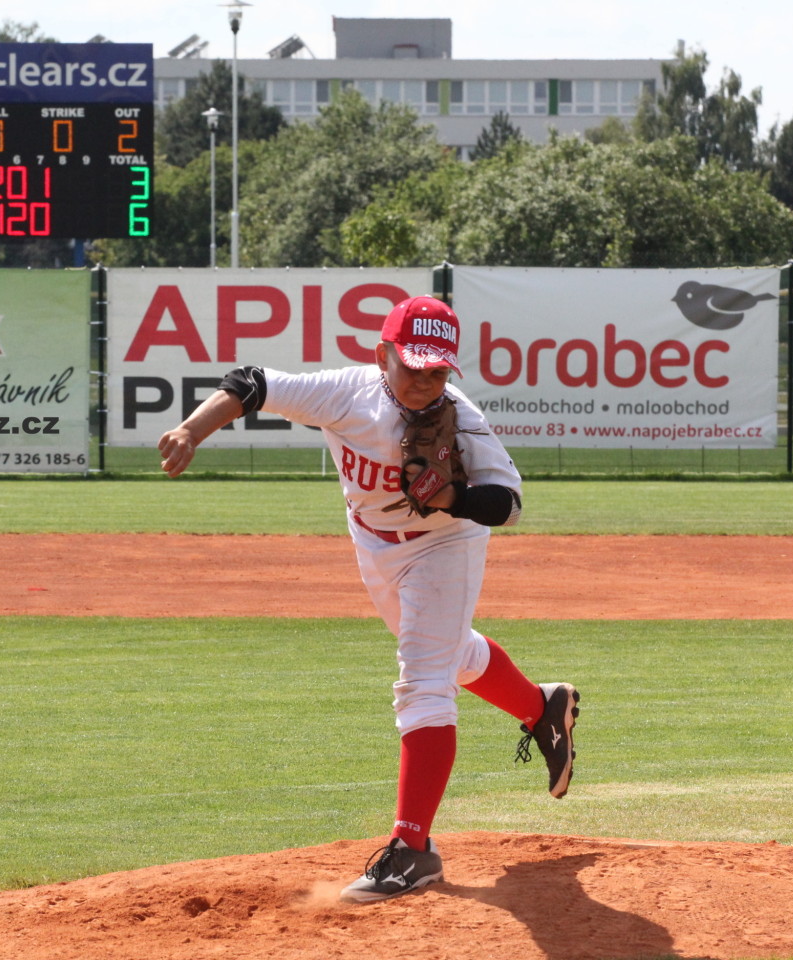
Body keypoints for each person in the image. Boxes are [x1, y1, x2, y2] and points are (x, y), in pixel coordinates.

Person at [157, 295, 580, 903]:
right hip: (374, 543)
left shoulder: (461, 415)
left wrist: (453, 501)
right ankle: (542, 707)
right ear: (382, 354)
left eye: (438, 371)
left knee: (424, 679)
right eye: (413, 367)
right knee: (449, 654)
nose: (425, 383)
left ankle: (413, 850)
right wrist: (192, 429)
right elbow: (250, 384)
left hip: (446, 546)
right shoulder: (346, 394)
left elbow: (509, 505)